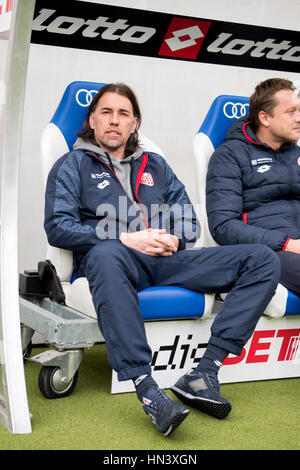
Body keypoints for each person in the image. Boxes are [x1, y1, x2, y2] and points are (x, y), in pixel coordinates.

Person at [44, 83, 280, 436]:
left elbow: (186, 215)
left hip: (166, 260)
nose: (114, 120)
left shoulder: (155, 164)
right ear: (92, 120)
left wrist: (175, 238)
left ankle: (205, 373)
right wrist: (124, 237)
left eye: (124, 114)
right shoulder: (72, 164)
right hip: (113, 258)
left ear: (134, 123)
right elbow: (58, 227)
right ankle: (148, 390)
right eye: (106, 112)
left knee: (262, 259)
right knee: (107, 253)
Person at [206, 77, 300, 297]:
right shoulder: (229, 156)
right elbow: (223, 226)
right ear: (264, 118)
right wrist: (287, 244)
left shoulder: (297, 155)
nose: (299, 118)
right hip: (270, 251)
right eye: (290, 112)